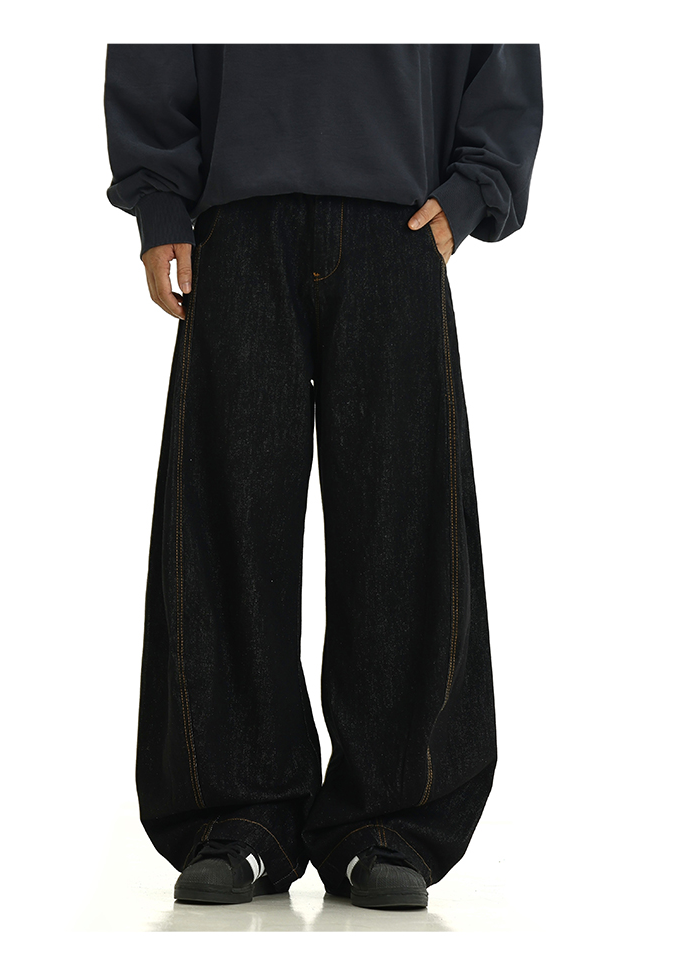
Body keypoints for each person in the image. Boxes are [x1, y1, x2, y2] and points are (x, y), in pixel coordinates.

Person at [103, 42, 543, 911]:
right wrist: (159, 197)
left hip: (400, 216)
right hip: (236, 214)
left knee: (404, 520)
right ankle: (237, 814)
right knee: (226, 517)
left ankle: (392, 818)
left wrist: (476, 184)